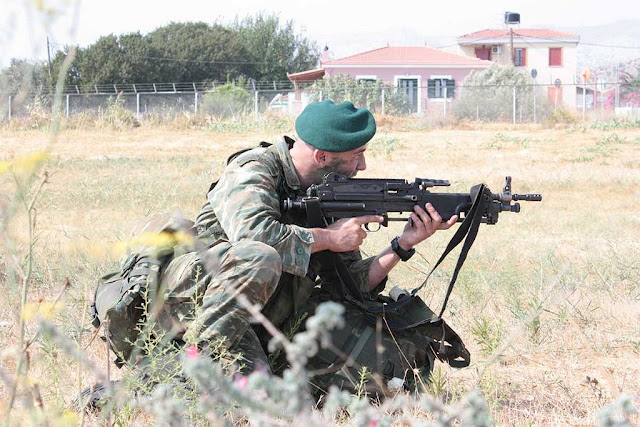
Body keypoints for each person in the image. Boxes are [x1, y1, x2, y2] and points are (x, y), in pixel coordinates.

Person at [155, 99, 458, 390]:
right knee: (259, 256)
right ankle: (191, 370)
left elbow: (351, 283)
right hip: (195, 303)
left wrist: (402, 245)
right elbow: (256, 239)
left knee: (289, 398)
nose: (363, 165)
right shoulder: (253, 170)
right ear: (322, 157)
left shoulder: (325, 189)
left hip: (260, 319)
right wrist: (328, 237)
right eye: (356, 155)